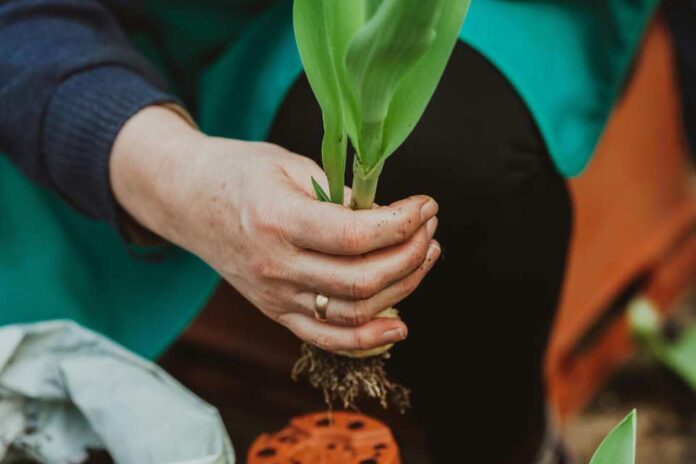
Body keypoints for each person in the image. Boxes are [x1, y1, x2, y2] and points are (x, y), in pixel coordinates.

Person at [0, 1, 662, 462]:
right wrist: (176, 175)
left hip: (437, 20)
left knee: (451, 152)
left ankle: (513, 444)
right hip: (109, 35)